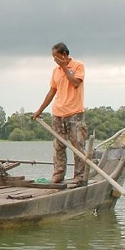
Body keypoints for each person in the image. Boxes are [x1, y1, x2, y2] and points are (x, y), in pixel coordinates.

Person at [31, 42, 87, 184]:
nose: (54, 60)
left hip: (75, 113)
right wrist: (39, 110)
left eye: (56, 57)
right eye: (53, 57)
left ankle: (79, 176)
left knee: (78, 146)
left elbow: (75, 82)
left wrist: (64, 67)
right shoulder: (55, 71)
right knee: (58, 146)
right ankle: (58, 174)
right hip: (58, 113)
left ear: (64, 55)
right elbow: (52, 91)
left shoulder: (78, 66)